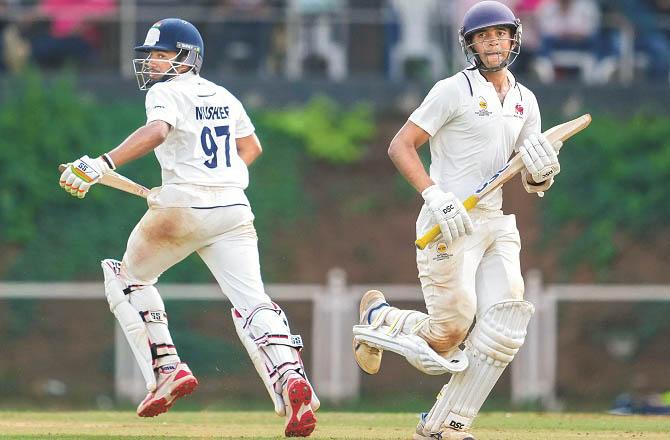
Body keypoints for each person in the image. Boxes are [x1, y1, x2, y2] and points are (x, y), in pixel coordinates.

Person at [58, 18, 318, 437]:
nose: (154, 64)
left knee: (126, 278)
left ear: (187, 57)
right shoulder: (224, 95)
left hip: (184, 205)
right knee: (253, 303)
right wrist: (215, 182)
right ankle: (291, 378)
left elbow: (158, 131)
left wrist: (102, 163)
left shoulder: (165, 92)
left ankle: (167, 369)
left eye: (163, 55)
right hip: (233, 206)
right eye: (152, 56)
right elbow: (251, 148)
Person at [352, 2, 562, 439]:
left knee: (504, 326)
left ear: (514, 39)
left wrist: (542, 175)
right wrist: (434, 195)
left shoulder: (526, 100)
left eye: (500, 35)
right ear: (471, 45)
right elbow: (401, 146)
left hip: (494, 220)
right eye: (484, 37)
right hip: (448, 219)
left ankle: (445, 425)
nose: (493, 43)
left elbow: (528, 171)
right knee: (448, 334)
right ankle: (379, 319)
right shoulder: (453, 90)